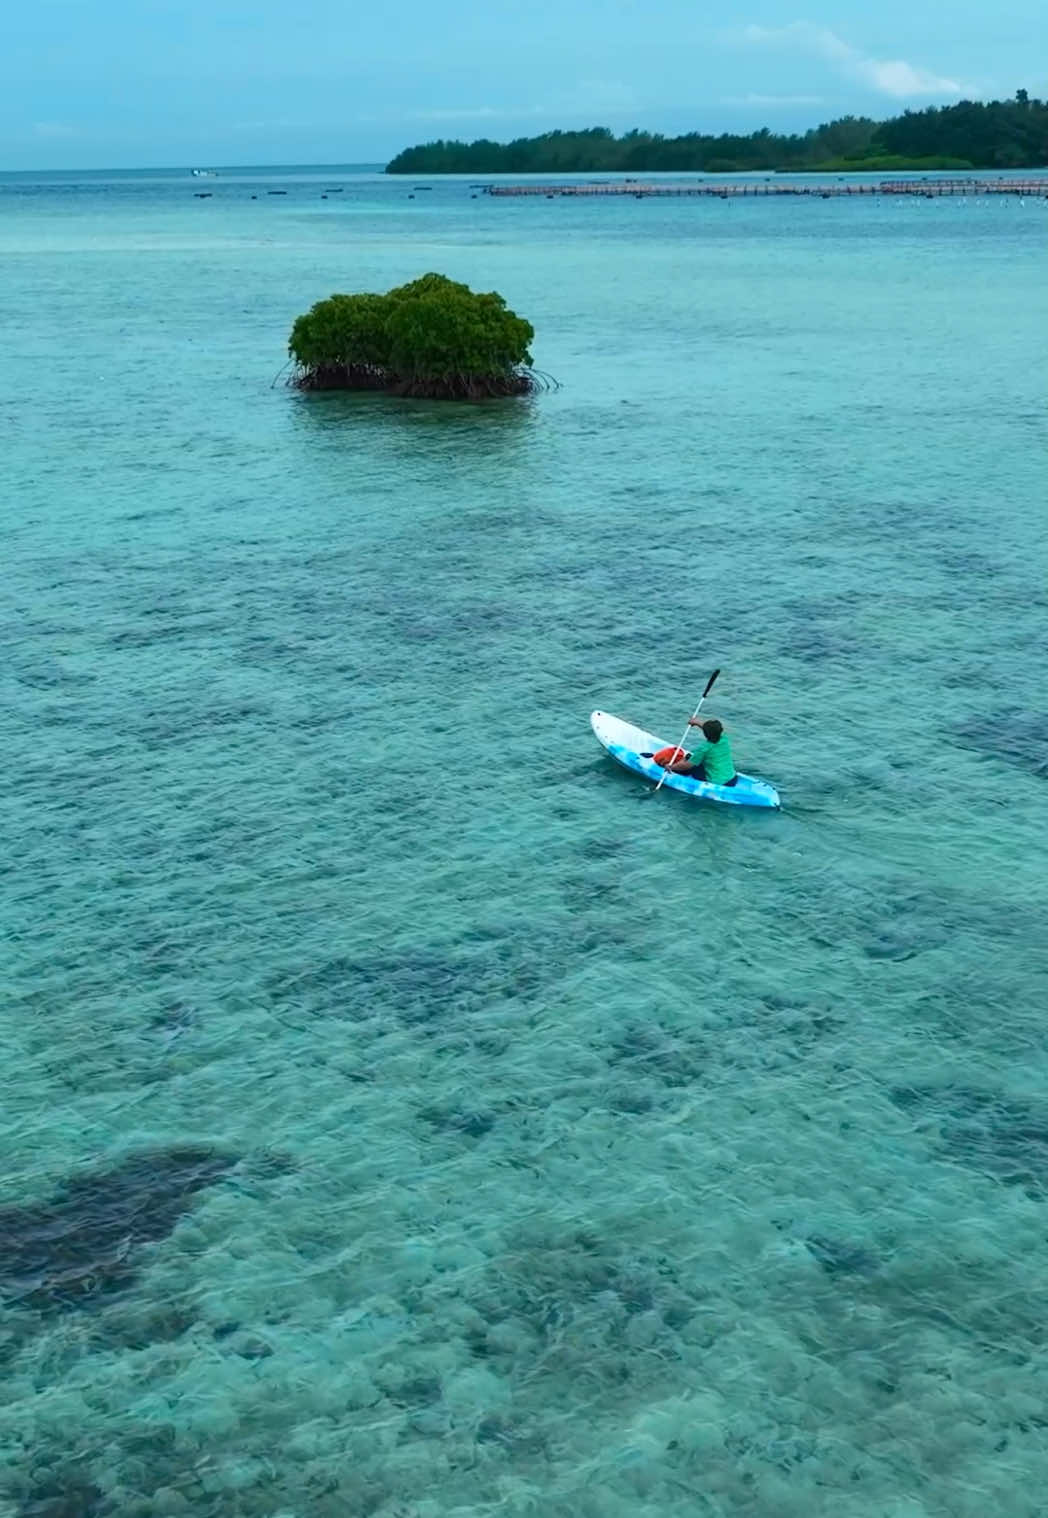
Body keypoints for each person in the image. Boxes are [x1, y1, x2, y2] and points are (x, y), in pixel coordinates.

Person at [663, 717, 737, 787]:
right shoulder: (724, 738)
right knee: (698, 759)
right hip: (732, 779)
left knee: (689, 760)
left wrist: (671, 767)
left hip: (717, 782)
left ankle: (674, 771)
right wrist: (696, 722)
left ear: (705, 734)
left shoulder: (704, 749)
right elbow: (712, 730)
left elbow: (687, 765)